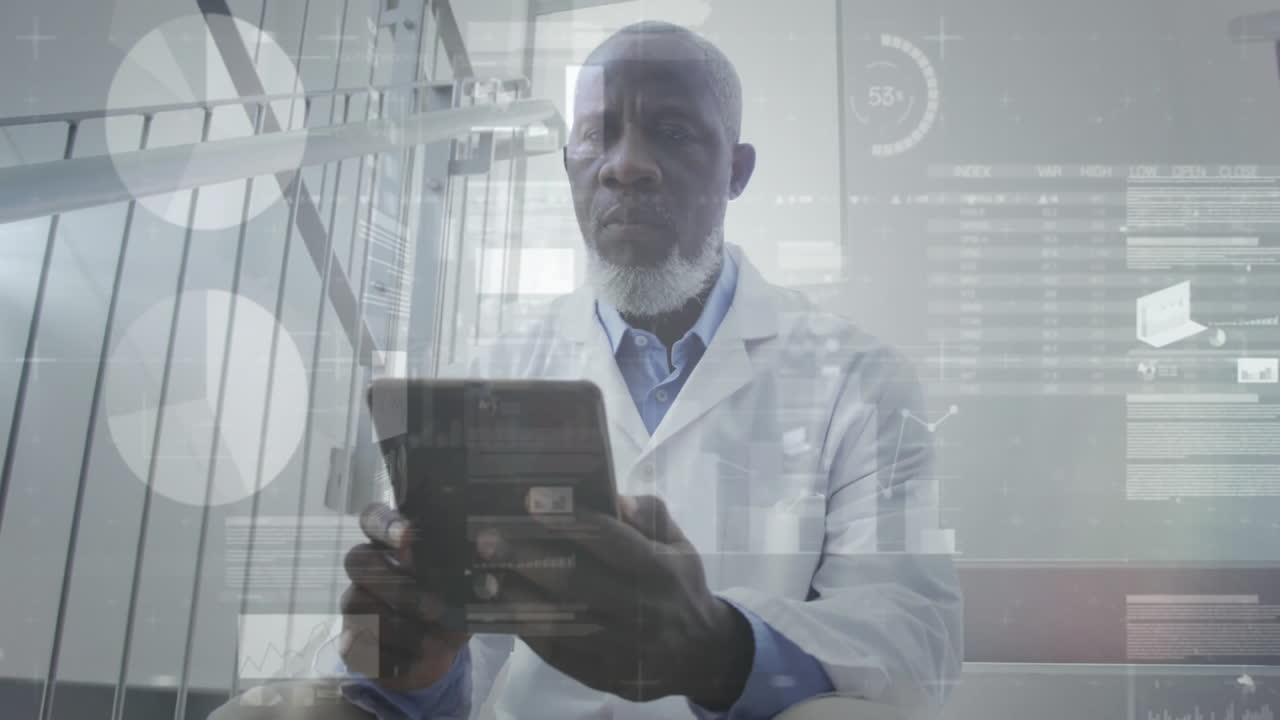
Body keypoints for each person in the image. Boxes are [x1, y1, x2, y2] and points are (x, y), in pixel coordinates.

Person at [213, 20, 961, 720]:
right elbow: (433, 670)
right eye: (596, 135)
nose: (626, 165)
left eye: (671, 132)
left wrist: (716, 649)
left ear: (736, 172)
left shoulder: (861, 381)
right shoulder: (492, 369)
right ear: (569, 163)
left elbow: (911, 646)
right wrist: (413, 663)